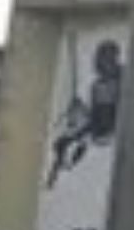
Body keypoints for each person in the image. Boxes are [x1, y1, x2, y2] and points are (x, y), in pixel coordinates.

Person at [45, 39, 123, 190]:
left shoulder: (124, 78)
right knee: (62, 141)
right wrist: (79, 111)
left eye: (104, 59)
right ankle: (59, 168)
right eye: (99, 59)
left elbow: (110, 118)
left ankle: (69, 155)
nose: (100, 64)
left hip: (109, 132)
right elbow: (95, 115)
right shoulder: (97, 86)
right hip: (97, 130)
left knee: (75, 136)